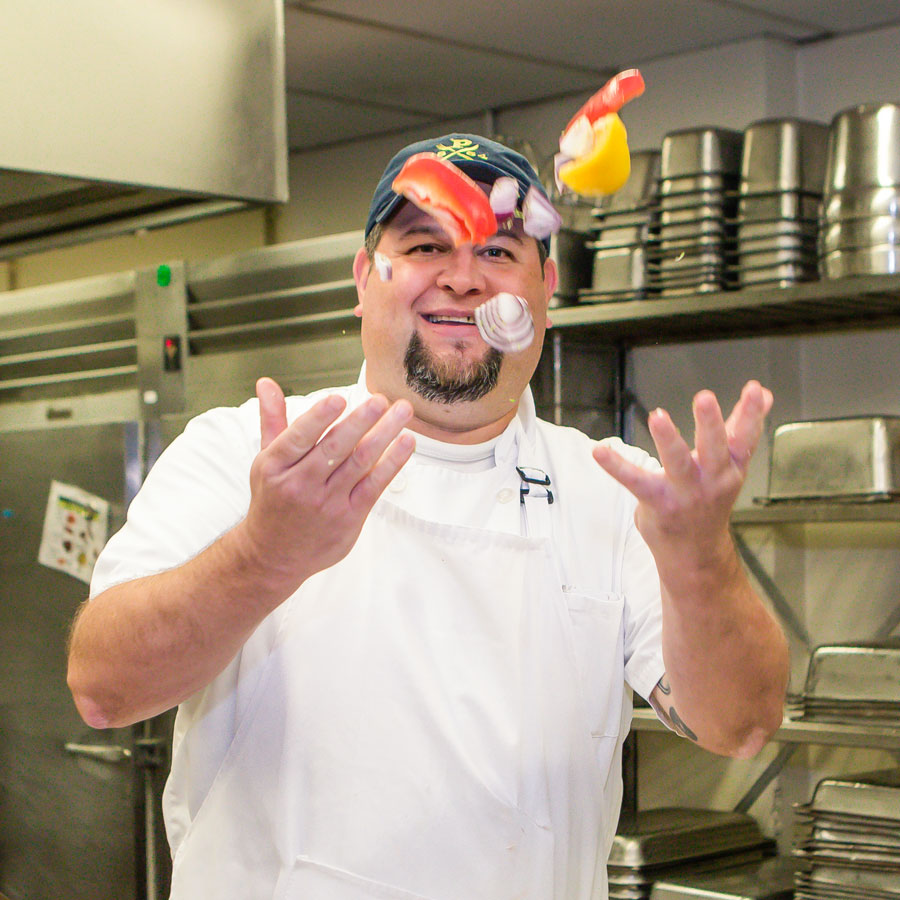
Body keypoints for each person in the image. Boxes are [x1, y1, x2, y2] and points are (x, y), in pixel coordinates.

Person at [67, 133, 789, 900]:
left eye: (499, 251)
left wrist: (702, 561)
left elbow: (738, 726)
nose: (461, 279)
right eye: (424, 244)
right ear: (364, 278)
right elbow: (104, 688)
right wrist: (264, 554)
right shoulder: (244, 452)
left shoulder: (611, 490)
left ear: (545, 288)